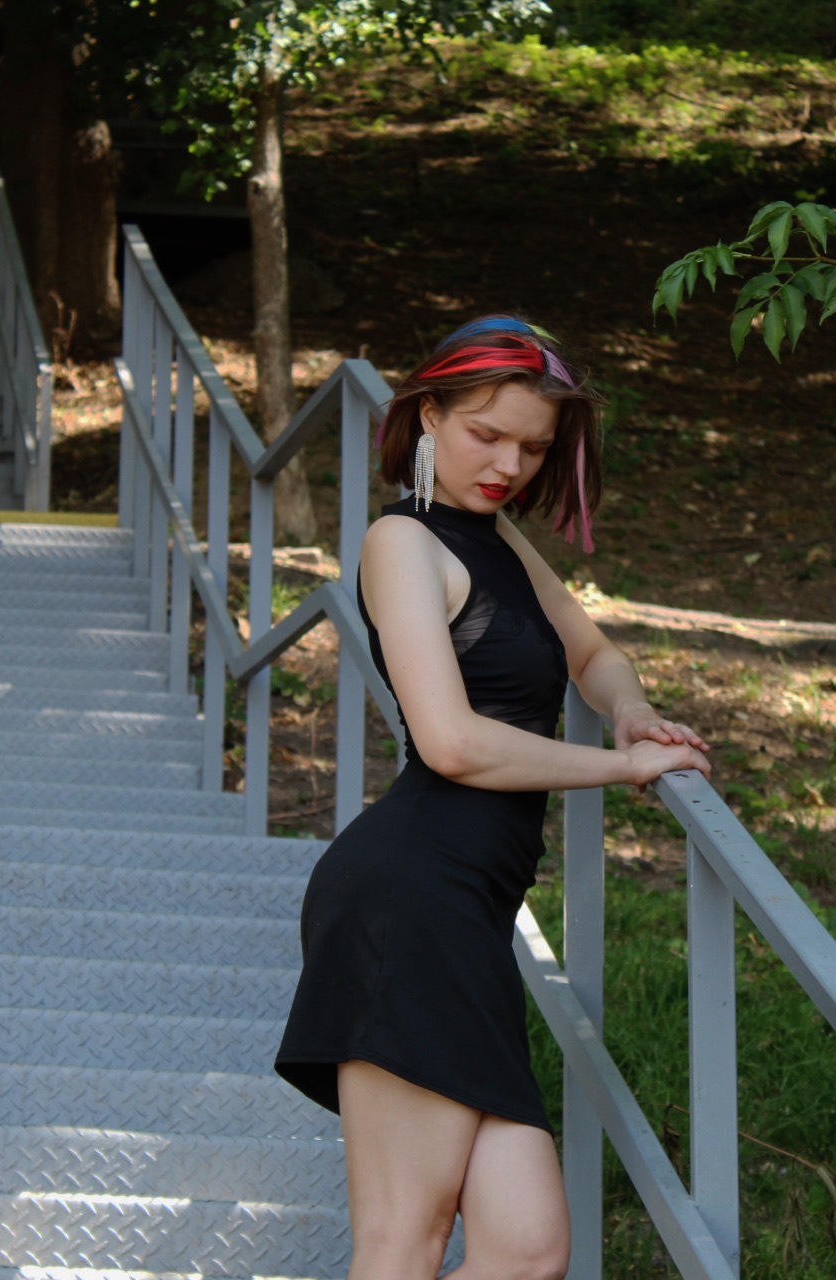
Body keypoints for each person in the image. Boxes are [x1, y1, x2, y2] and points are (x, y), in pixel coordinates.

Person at [274, 315, 712, 1280]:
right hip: (408, 905)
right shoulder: (401, 542)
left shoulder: (494, 535)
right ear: (428, 414)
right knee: (403, 1243)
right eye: (487, 434)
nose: (509, 464)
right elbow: (452, 742)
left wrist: (632, 713)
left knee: (527, 1250)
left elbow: (592, 651)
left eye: (534, 447)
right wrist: (624, 769)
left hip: (466, 911)